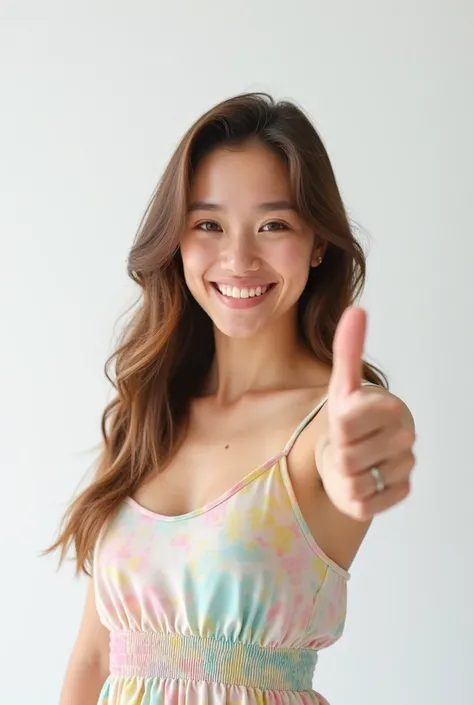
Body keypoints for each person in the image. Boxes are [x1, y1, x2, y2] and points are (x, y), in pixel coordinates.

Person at [48, 92, 416, 705]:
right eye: (208, 224)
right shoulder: (150, 415)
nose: (238, 258)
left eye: (273, 225)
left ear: (317, 243)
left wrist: (368, 455)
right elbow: (92, 658)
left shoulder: (329, 423)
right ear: (178, 241)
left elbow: (359, 452)